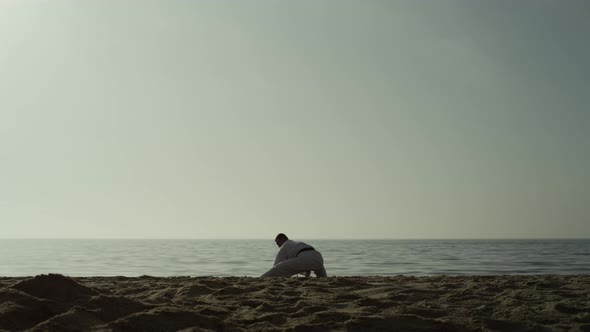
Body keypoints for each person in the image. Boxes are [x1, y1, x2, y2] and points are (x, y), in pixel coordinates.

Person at [261, 233, 327, 277]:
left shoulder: (285, 245)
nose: (278, 246)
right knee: (322, 275)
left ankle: (262, 278)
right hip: (318, 257)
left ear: (282, 239)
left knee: (276, 269)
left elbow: (277, 264)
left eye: (278, 243)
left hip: (305, 258)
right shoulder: (296, 244)